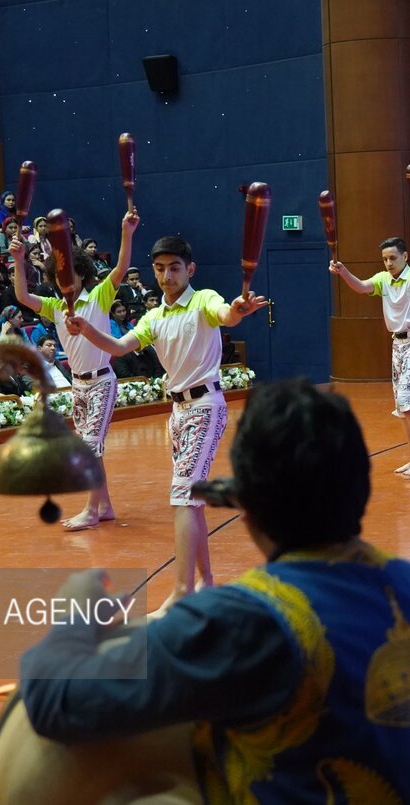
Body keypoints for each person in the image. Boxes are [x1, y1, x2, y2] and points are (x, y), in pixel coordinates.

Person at [18, 378, 410, 805]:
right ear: (360, 484)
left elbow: (58, 702)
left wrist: (76, 616)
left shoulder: (246, 622)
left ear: (246, 505)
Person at [64, 232, 267, 614]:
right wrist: (86, 330)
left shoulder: (204, 300)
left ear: (189, 269)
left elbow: (227, 314)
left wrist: (238, 309)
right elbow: (121, 347)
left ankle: (181, 591)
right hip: (176, 413)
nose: (166, 275)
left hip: (205, 407)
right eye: (159, 269)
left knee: (181, 497)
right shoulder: (154, 317)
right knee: (191, 501)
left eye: (174, 268)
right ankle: (206, 582)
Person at [9, 210, 138, 532]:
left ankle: (91, 511)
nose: (64, 279)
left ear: (81, 273)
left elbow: (121, 269)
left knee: (88, 448)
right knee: (92, 449)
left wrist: (126, 232)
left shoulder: (98, 297)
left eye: (70, 273)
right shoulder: (54, 307)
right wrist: (18, 258)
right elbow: (22, 296)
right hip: (76, 387)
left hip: (101, 383)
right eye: (58, 275)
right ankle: (105, 506)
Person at [329, 232, 410, 477]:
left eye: (393, 258)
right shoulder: (382, 279)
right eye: (385, 259)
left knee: (407, 401)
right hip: (397, 344)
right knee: (402, 407)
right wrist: (344, 272)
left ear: (405, 256)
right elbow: (361, 287)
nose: (388, 263)